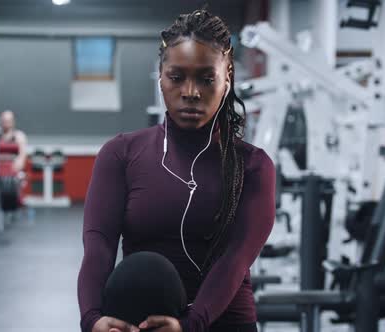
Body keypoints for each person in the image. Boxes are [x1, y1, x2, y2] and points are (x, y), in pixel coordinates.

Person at [77, 10, 275, 332]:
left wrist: (190, 325)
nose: (191, 92)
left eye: (206, 78)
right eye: (177, 77)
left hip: (224, 324)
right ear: (160, 77)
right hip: (138, 323)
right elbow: (98, 246)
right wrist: (92, 319)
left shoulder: (253, 166)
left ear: (228, 77)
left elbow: (236, 259)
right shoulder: (121, 154)